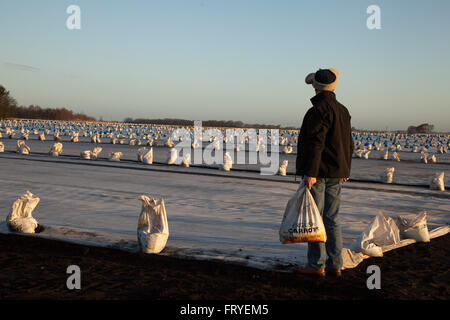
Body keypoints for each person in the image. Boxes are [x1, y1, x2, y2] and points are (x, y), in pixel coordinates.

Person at [295, 68, 354, 277]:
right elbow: (348, 143)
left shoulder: (317, 110)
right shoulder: (343, 110)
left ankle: (316, 264)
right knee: (332, 218)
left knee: (315, 219)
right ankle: (336, 264)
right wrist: (345, 169)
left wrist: (310, 173)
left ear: (316, 87)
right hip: (337, 172)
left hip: (318, 173)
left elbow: (316, 144)